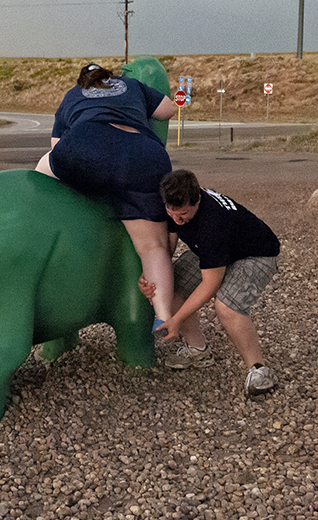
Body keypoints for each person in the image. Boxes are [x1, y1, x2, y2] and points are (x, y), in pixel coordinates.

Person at [37, 63, 178, 324]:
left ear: (83, 81)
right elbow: (169, 109)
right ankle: (164, 320)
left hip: (88, 143)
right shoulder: (133, 86)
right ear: (109, 76)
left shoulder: (72, 94)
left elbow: (57, 146)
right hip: (143, 153)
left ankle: (42, 229)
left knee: (44, 168)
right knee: (153, 248)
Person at [140, 169, 281, 397]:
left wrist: (176, 320)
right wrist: (152, 276)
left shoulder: (213, 223)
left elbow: (210, 285)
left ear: (197, 200)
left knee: (227, 307)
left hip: (256, 254)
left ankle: (260, 371)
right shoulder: (175, 205)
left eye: (183, 214)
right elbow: (168, 247)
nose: (177, 220)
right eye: (172, 212)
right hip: (217, 251)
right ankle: (198, 350)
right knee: (171, 283)